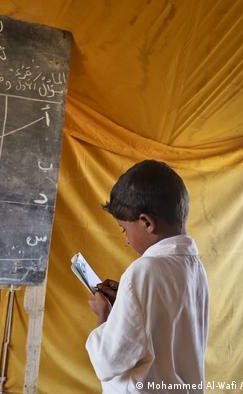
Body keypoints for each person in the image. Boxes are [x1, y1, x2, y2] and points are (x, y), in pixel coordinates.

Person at [85, 160, 209, 393]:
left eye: (124, 229)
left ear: (146, 222)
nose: (126, 239)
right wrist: (126, 299)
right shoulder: (193, 266)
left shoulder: (143, 272)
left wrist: (104, 315)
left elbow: (109, 361)